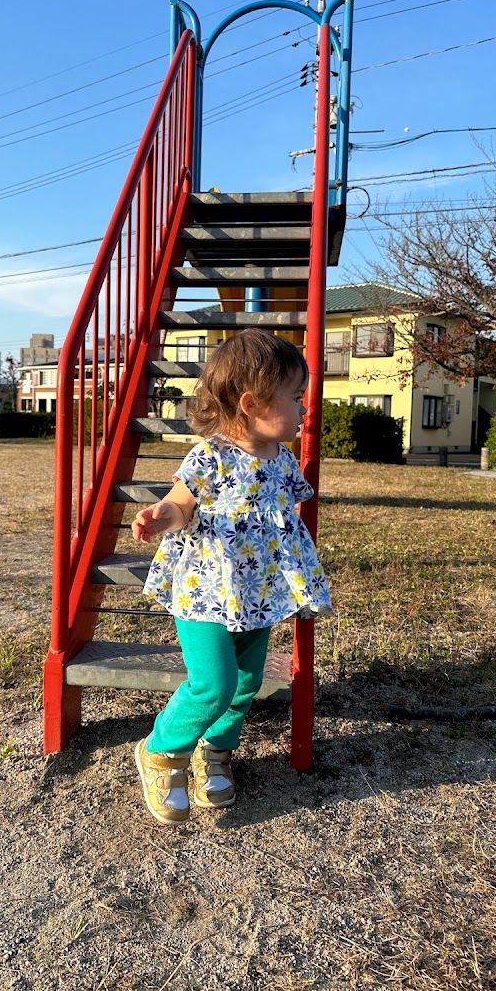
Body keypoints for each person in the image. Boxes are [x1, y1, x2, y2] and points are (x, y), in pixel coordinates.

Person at [130, 329, 332, 826]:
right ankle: (161, 751)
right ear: (252, 402)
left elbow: (286, 513)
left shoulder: (282, 458)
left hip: (259, 592)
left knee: (244, 683)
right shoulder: (211, 455)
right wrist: (162, 516)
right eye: (296, 397)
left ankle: (215, 752)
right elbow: (182, 503)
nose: (306, 408)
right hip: (207, 592)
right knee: (213, 684)